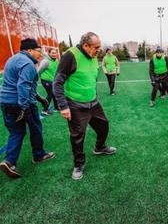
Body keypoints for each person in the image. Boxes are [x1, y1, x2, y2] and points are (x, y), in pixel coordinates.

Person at [53, 32, 116, 180]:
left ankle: (99, 147)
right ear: (85, 45)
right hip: (75, 105)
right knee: (78, 137)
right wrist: (63, 106)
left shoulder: (94, 57)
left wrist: (93, 95)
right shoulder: (70, 55)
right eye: (96, 47)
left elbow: (91, 78)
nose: (98, 50)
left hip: (93, 102)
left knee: (103, 126)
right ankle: (78, 165)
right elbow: (57, 82)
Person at [0, 38, 56, 178]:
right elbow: (23, 86)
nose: (41, 54)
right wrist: (24, 107)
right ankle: (39, 155)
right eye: (38, 51)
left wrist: (40, 98)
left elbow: (25, 85)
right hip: (21, 104)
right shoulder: (28, 64)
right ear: (29, 50)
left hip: (5, 102)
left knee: (16, 132)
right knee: (36, 128)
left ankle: (9, 162)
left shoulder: (12, 59)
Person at [37, 48, 59, 114]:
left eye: (55, 53)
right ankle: (45, 110)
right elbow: (39, 70)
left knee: (55, 93)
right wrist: (36, 78)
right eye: (52, 53)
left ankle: (56, 108)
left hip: (53, 80)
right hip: (46, 80)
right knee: (50, 94)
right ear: (49, 53)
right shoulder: (45, 61)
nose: (54, 54)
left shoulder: (56, 60)